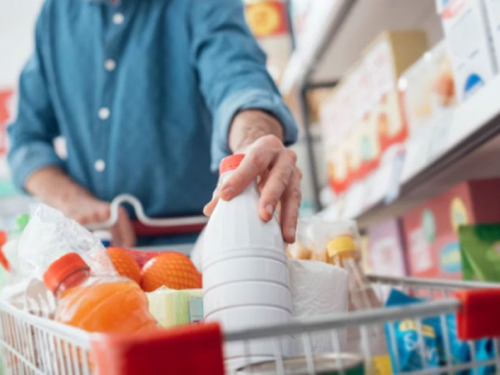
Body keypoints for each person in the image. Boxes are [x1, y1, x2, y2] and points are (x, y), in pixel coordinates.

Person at [7, 0, 301, 247]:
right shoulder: (55, 15)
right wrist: (72, 200)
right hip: (98, 258)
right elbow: (25, 140)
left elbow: (237, 78)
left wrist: (253, 143)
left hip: (204, 247)